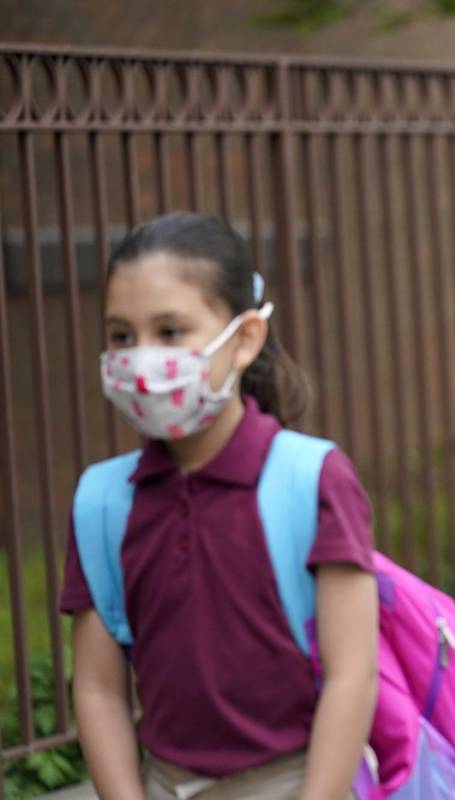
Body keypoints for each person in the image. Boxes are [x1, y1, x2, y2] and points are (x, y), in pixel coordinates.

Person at [61, 213, 379, 798]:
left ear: (245, 339)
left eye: (170, 331)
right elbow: (98, 689)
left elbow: (352, 675)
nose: (141, 357)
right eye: (122, 335)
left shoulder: (311, 479)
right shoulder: (102, 503)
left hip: (297, 781)